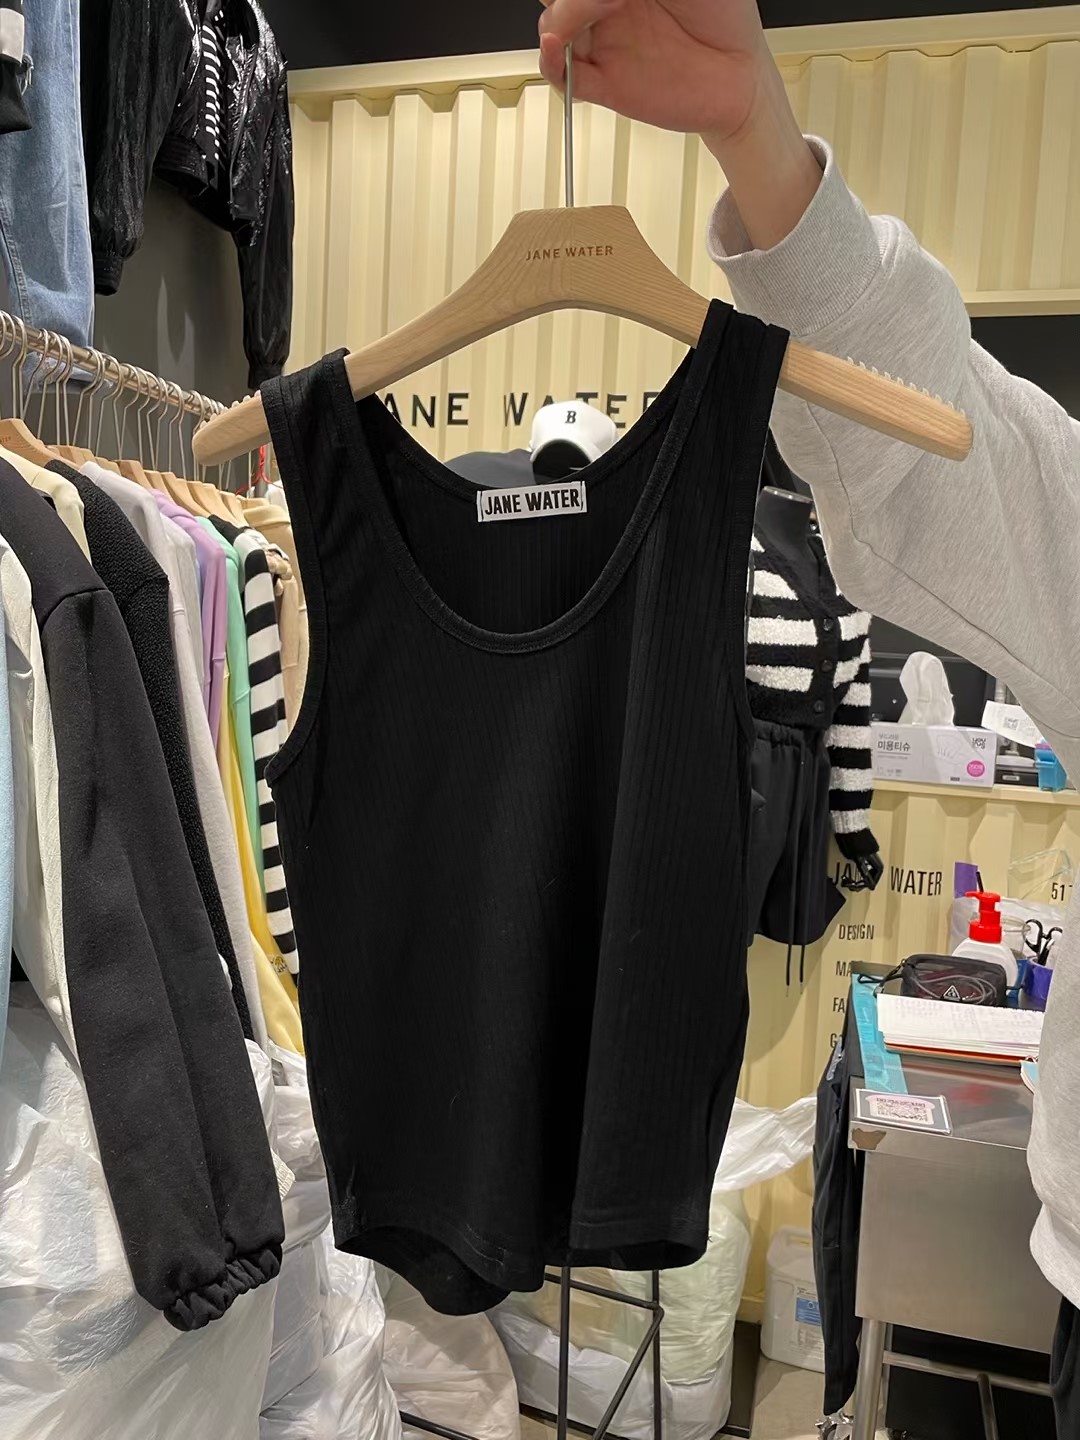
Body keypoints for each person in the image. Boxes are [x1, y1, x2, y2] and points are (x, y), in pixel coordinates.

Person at [538, 0, 1080, 1431]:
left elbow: (843, 710)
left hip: (721, 879)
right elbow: (952, 446)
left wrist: (839, 850)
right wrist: (758, 135)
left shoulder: (774, 552)